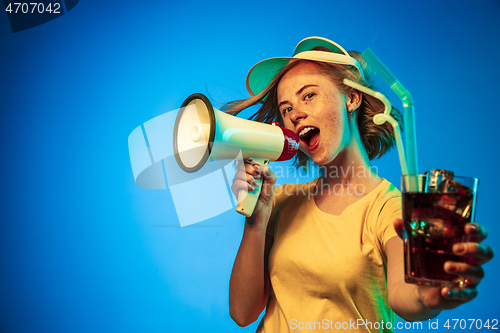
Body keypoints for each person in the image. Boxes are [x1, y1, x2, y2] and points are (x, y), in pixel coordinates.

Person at [226, 37, 493, 332]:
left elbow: (406, 299)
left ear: (352, 98)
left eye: (309, 96)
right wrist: (256, 219)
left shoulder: (388, 208)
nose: (295, 114)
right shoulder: (279, 200)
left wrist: (426, 296)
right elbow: (242, 312)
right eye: (286, 108)